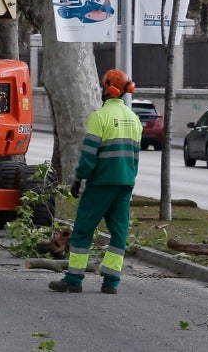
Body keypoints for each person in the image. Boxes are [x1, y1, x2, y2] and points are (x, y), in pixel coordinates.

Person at [50, 68, 143, 294]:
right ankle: (111, 282)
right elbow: (135, 157)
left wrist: (79, 178)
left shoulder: (99, 117)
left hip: (101, 183)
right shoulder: (134, 119)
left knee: (83, 229)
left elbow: (89, 154)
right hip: (124, 184)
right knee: (119, 232)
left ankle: (73, 279)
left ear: (108, 88)